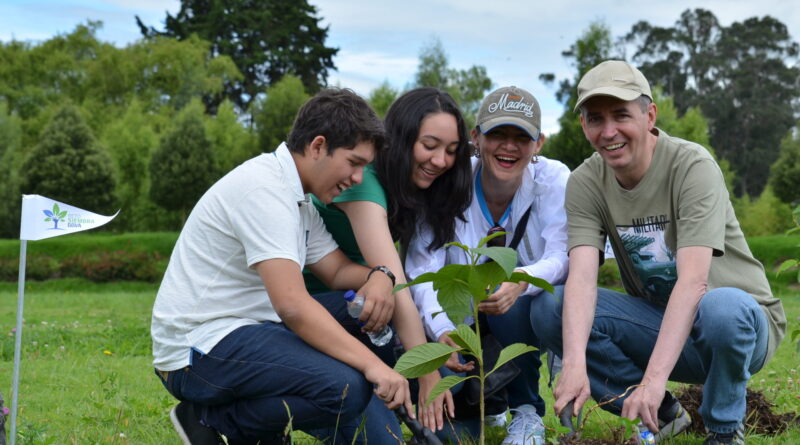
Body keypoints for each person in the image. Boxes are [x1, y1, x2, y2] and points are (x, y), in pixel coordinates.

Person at [530, 60, 787, 445]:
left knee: (723, 308)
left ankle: (723, 430)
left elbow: (694, 281)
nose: (609, 131)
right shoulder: (585, 182)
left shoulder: (692, 166)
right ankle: (664, 414)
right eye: (595, 119)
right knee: (551, 306)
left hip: (739, 328)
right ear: (583, 126)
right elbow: (582, 279)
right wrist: (574, 363)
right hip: (661, 325)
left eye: (621, 115)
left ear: (650, 115)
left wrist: (653, 378)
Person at [151, 88, 413, 445]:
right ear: (318, 146)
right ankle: (217, 419)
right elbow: (292, 305)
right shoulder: (265, 191)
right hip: (196, 351)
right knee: (345, 387)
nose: (357, 177)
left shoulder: (299, 198)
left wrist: (380, 277)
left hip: (250, 330)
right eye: (354, 162)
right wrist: (373, 366)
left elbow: (335, 271)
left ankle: (263, 429)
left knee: (366, 310)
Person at [302, 87, 474, 436]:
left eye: (451, 151)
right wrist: (425, 373)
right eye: (429, 146)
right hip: (320, 311)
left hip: (364, 309)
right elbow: (397, 282)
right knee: (394, 422)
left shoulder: (410, 189)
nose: (440, 161)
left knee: (451, 386)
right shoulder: (362, 182)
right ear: (401, 138)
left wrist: (437, 342)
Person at [406, 86, 570, 444]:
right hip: (459, 319)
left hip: (520, 312)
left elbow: (563, 255)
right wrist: (441, 331)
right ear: (476, 138)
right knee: (454, 431)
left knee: (517, 303)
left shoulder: (554, 180)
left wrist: (521, 279)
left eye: (521, 137)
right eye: (497, 134)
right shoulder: (449, 181)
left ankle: (527, 412)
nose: (508, 147)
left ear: (539, 143)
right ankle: (489, 400)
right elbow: (422, 266)